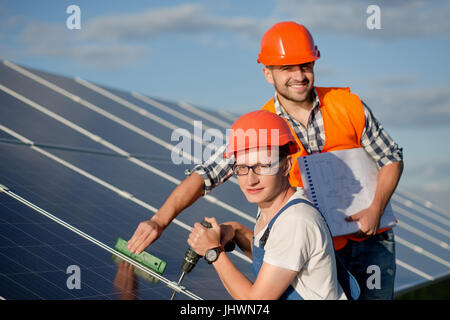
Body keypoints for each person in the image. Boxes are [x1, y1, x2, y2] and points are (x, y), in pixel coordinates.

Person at [128, 21, 403, 300]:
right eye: (287, 68)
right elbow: (207, 174)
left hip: (370, 240)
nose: (299, 75)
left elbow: (391, 157)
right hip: (311, 243)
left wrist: (375, 209)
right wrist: (159, 221)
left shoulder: (348, 105)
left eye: (306, 65)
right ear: (268, 74)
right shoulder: (262, 125)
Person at [188, 110, 346, 299]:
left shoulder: (295, 221)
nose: (251, 180)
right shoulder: (273, 207)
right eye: (242, 168)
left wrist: (212, 251)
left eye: (263, 166)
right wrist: (238, 231)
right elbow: (279, 258)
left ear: (286, 166)